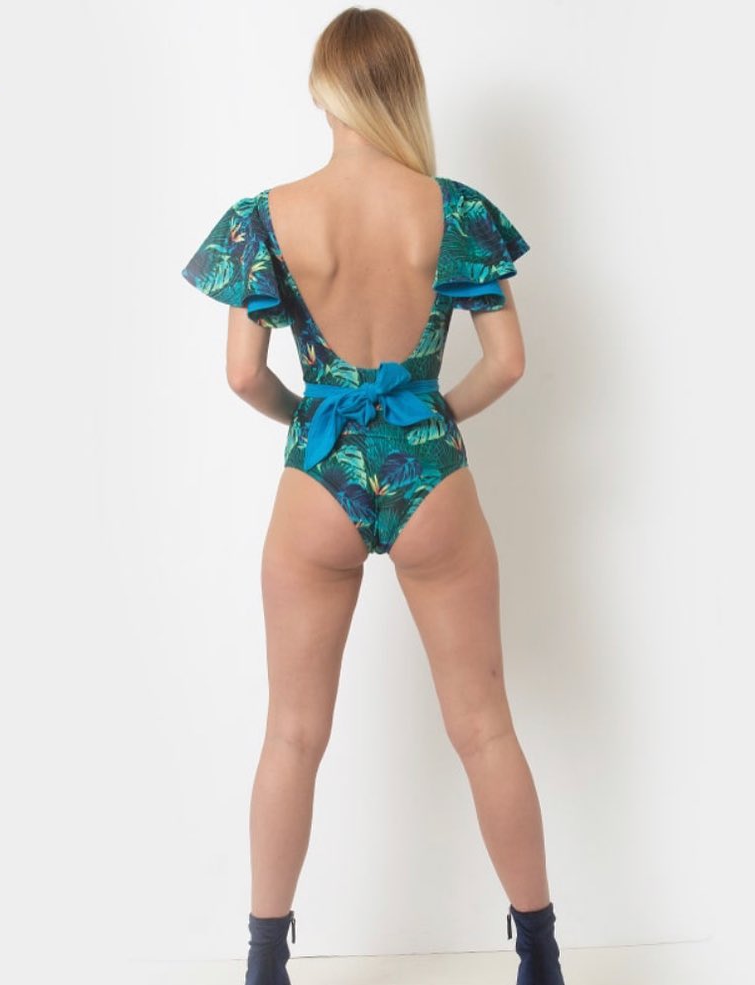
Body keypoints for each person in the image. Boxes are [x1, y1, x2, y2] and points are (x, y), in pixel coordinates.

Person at [181, 7, 568, 985]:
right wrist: (429, 420)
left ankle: (264, 962)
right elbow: (508, 361)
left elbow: (241, 375)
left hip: (318, 475)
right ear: (401, 90)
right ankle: (541, 957)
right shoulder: (457, 212)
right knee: (485, 726)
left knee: (291, 733)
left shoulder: (266, 217)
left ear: (325, 91)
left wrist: (311, 420)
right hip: (432, 474)